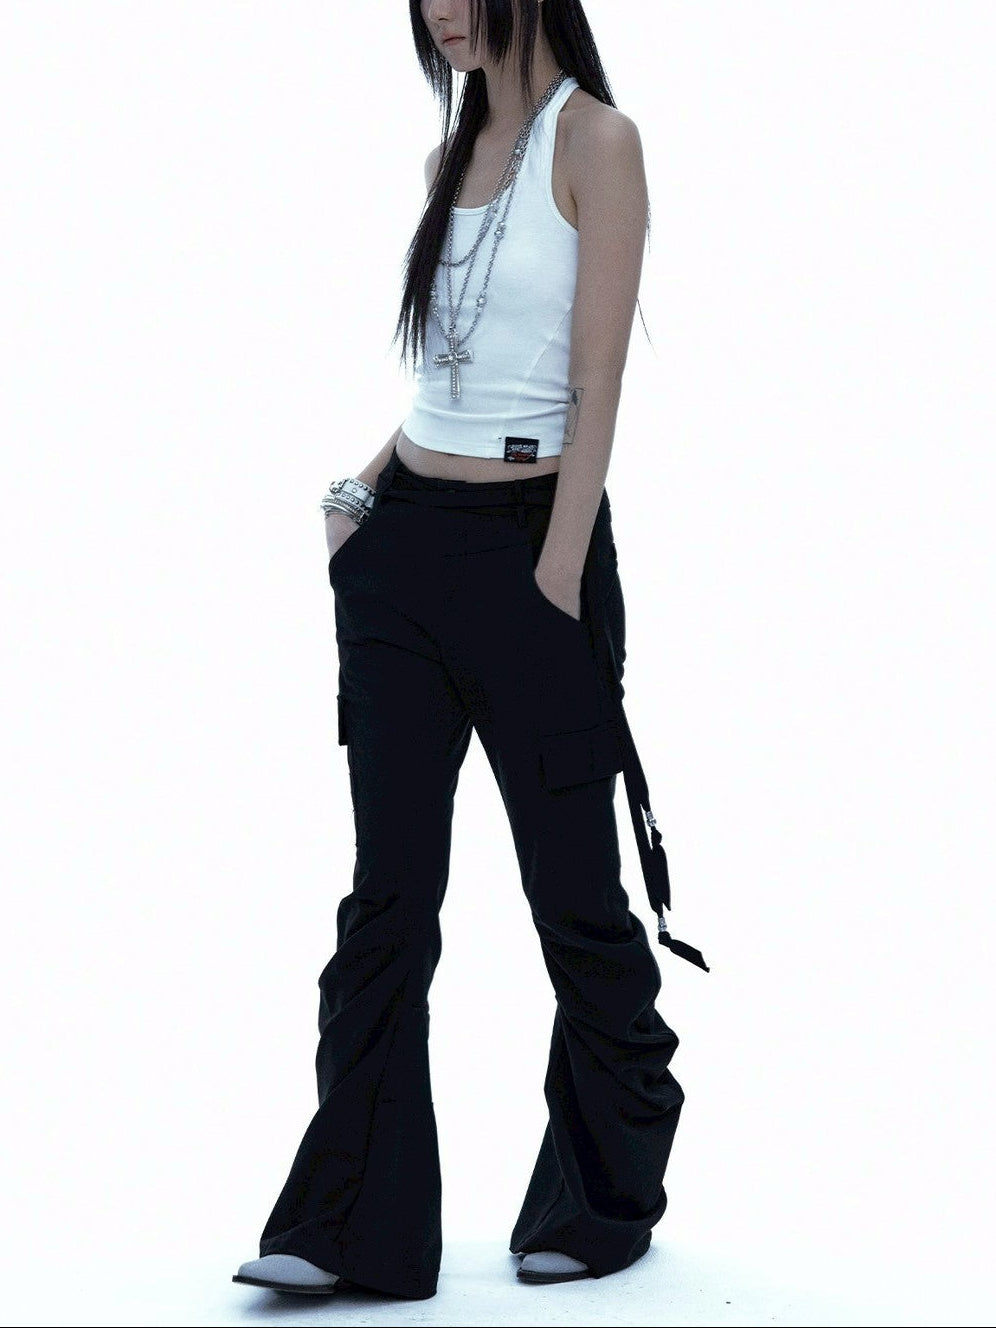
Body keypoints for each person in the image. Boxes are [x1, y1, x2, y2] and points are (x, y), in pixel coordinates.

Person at [233, 0, 708, 1302]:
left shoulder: (596, 140)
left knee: (574, 895)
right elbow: (451, 372)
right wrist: (360, 496)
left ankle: (607, 1189)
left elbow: (595, 383)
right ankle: (348, 1227)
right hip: (402, 553)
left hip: (530, 552)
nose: (442, 6)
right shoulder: (461, 138)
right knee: (387, 896)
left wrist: (557, 570)